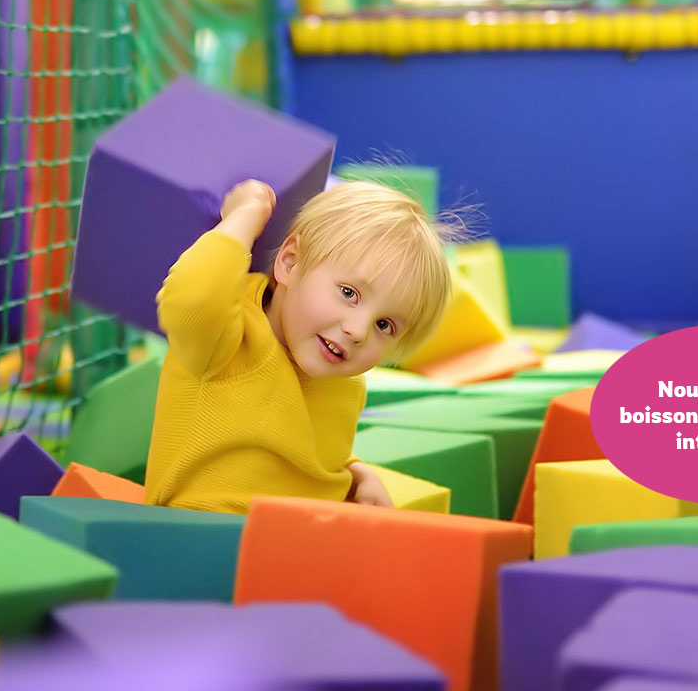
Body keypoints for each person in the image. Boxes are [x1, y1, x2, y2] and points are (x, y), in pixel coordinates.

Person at [143, 178, 463, 514]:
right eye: (349, 293)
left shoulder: (345, 385)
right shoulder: (227, 337)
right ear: (290, 263)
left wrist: (355, 474)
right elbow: (192, 299)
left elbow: (308, 454)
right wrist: (245, 215)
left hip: (297, 545)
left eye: (384, 325)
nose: (357, 331)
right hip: (203, 540)